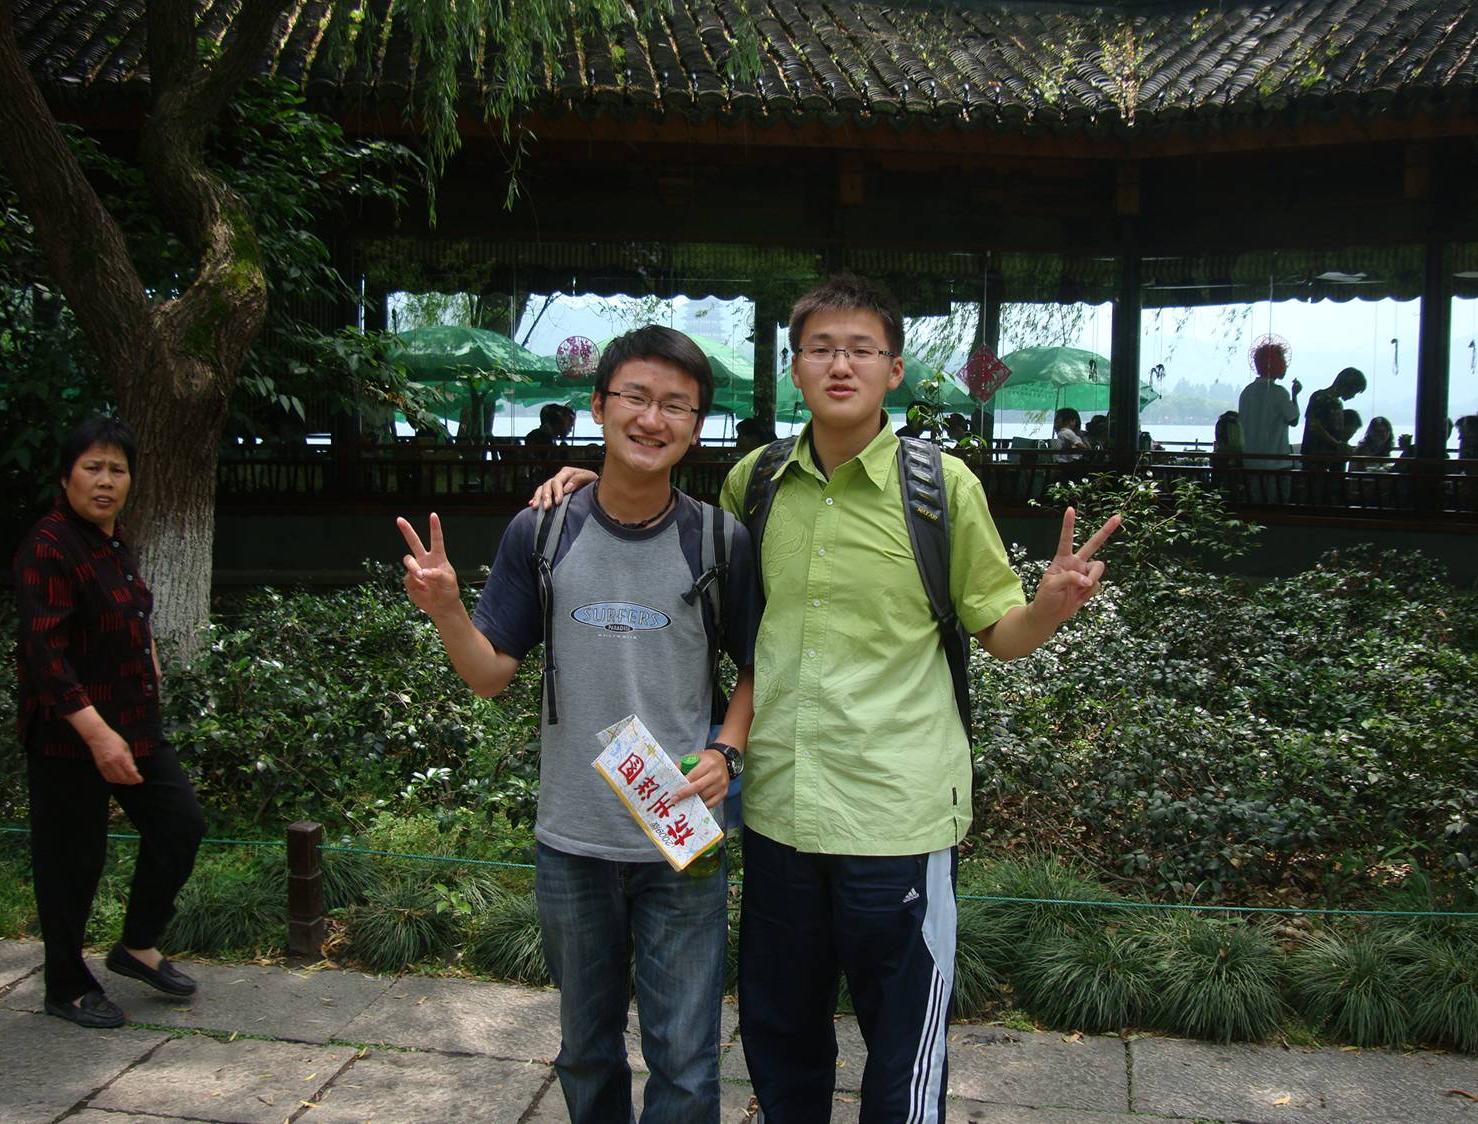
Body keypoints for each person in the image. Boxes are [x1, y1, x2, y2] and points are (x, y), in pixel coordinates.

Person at [532, 276, 1120, 1123]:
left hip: (899, 814)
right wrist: (586, 478)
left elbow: (1000, 632)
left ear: (895, 370)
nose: (840, 364)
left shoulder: (940, 487)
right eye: (821, 348)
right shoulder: (754, 483)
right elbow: (663, 524)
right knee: (779, 1034)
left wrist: (1050, 606)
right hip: (779, 813)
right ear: (796, 367)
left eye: (861, 350)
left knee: (901, 1042)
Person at [397, 326, 760, 1124]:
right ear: (598, 406)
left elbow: (757, 668)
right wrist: (451, 611)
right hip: (572, 838)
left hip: (680, 836)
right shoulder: (545, 530)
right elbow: (491, 673)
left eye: (676, 405)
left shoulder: (717, 540)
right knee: (585, 1050)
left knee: (687, 1058)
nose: (651, 418)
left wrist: (726, 752)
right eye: (634, 396)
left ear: (696, 427)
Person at [14, 415, 206, 1029]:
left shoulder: (112, 540)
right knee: (73, 860)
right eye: (92, 468)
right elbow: (46, 654)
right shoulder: (47, 545)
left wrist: (147, 656)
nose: (105, 481)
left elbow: (129, 614)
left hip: (135, 726)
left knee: (180, 825)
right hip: (70, 736)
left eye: (116, 470)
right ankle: (66, 985)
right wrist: (97, 735)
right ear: (65, 475)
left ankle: (137, 945)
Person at [1237, 341, 1301, 500]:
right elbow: (1293, 420)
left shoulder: (1247, 392)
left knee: (1255, 507)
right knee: (1276, 507)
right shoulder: (1279, 393)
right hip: (1276, 464)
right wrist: (1295, 395)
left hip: (1250, 463)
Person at [1301, 366, 1366, 468]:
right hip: (1316, 458)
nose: (1353, 396)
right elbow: (1313, 425)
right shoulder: (1319, 397)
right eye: (1354, 391)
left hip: (1331, 458)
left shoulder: (1337, 403)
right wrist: (1337, 444)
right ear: (1346, 386)